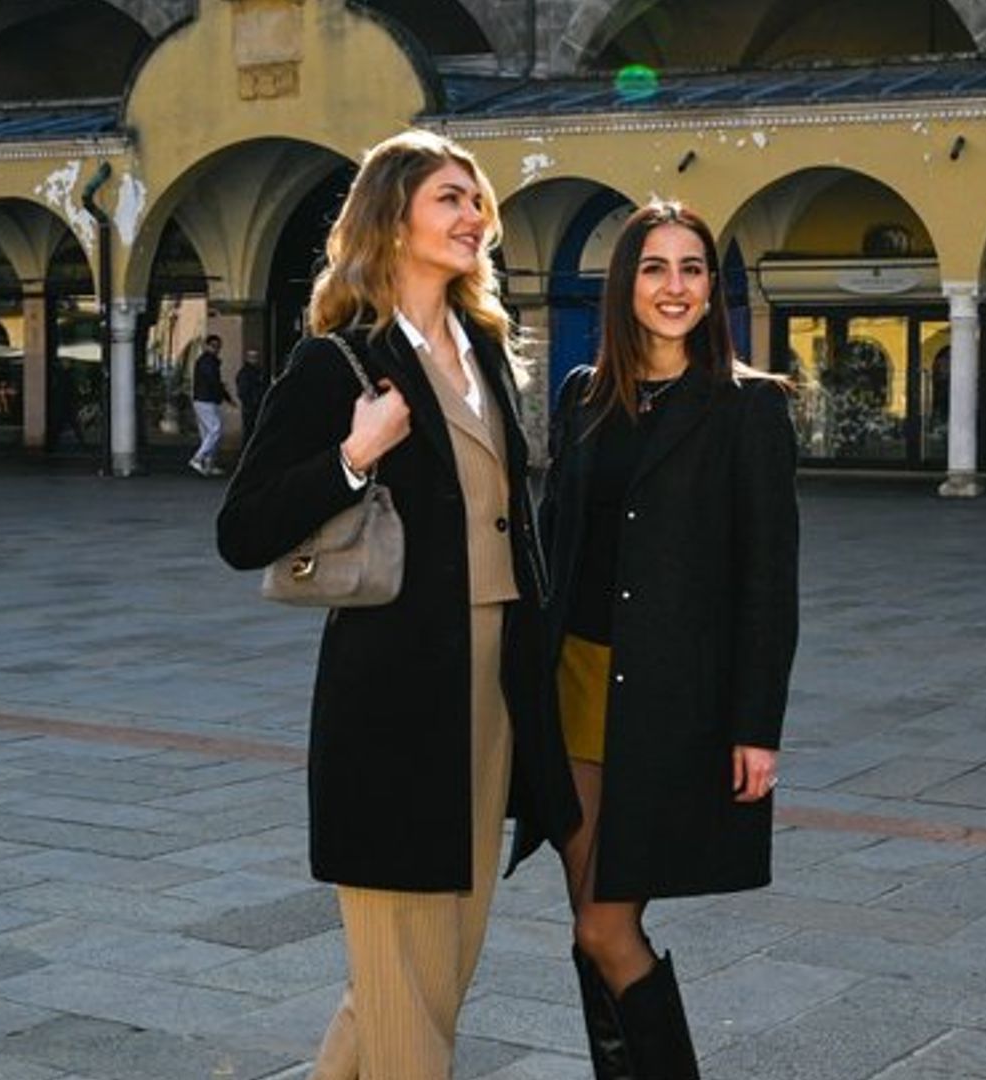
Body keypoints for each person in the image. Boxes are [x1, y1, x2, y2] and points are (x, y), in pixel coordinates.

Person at [216, 129, 579, 1080]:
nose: (476, 218)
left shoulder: (485, 348)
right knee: (403, 980)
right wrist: (352, 456)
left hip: (496, 685)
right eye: (451, 199)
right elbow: (242, 528)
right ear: (393, 217)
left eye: (479, 201)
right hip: (393, 695)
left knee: (434, 972)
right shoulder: (337, 363)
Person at [540, 200, 799, 1077]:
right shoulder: (582, 397)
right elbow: (553, 546)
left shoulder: (747, 410)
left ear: (712, 289)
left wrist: (755, 725)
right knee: (587, 925)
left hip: (669, 705)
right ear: (626, 284)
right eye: (655, 267)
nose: (675, 286)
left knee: (605, 924)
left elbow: (769, 578)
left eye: (692, 268)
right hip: (572, 687)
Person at [189, 333, 233, 476]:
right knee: (215, 429)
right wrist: (225, 396)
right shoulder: (208, 362)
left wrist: (224, 396)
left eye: (218, 346)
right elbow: (213, 381)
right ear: (207, 346)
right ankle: (198, 458)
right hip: (205, 400)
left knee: (207, 433)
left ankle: (208, 464)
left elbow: (214, 381)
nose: (216, 349)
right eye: (214, 346)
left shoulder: (206, 361)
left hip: (203, 399)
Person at [234, 346, 267, 448]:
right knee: (250, 432)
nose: (255, 359)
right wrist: (251, 403)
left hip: (256, 405)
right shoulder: (245, 373)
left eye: (256, 356)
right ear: (247, 358)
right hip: (251, 407)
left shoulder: (257, 371)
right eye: (252, 357)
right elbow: (243, 391)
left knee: (254, 431)